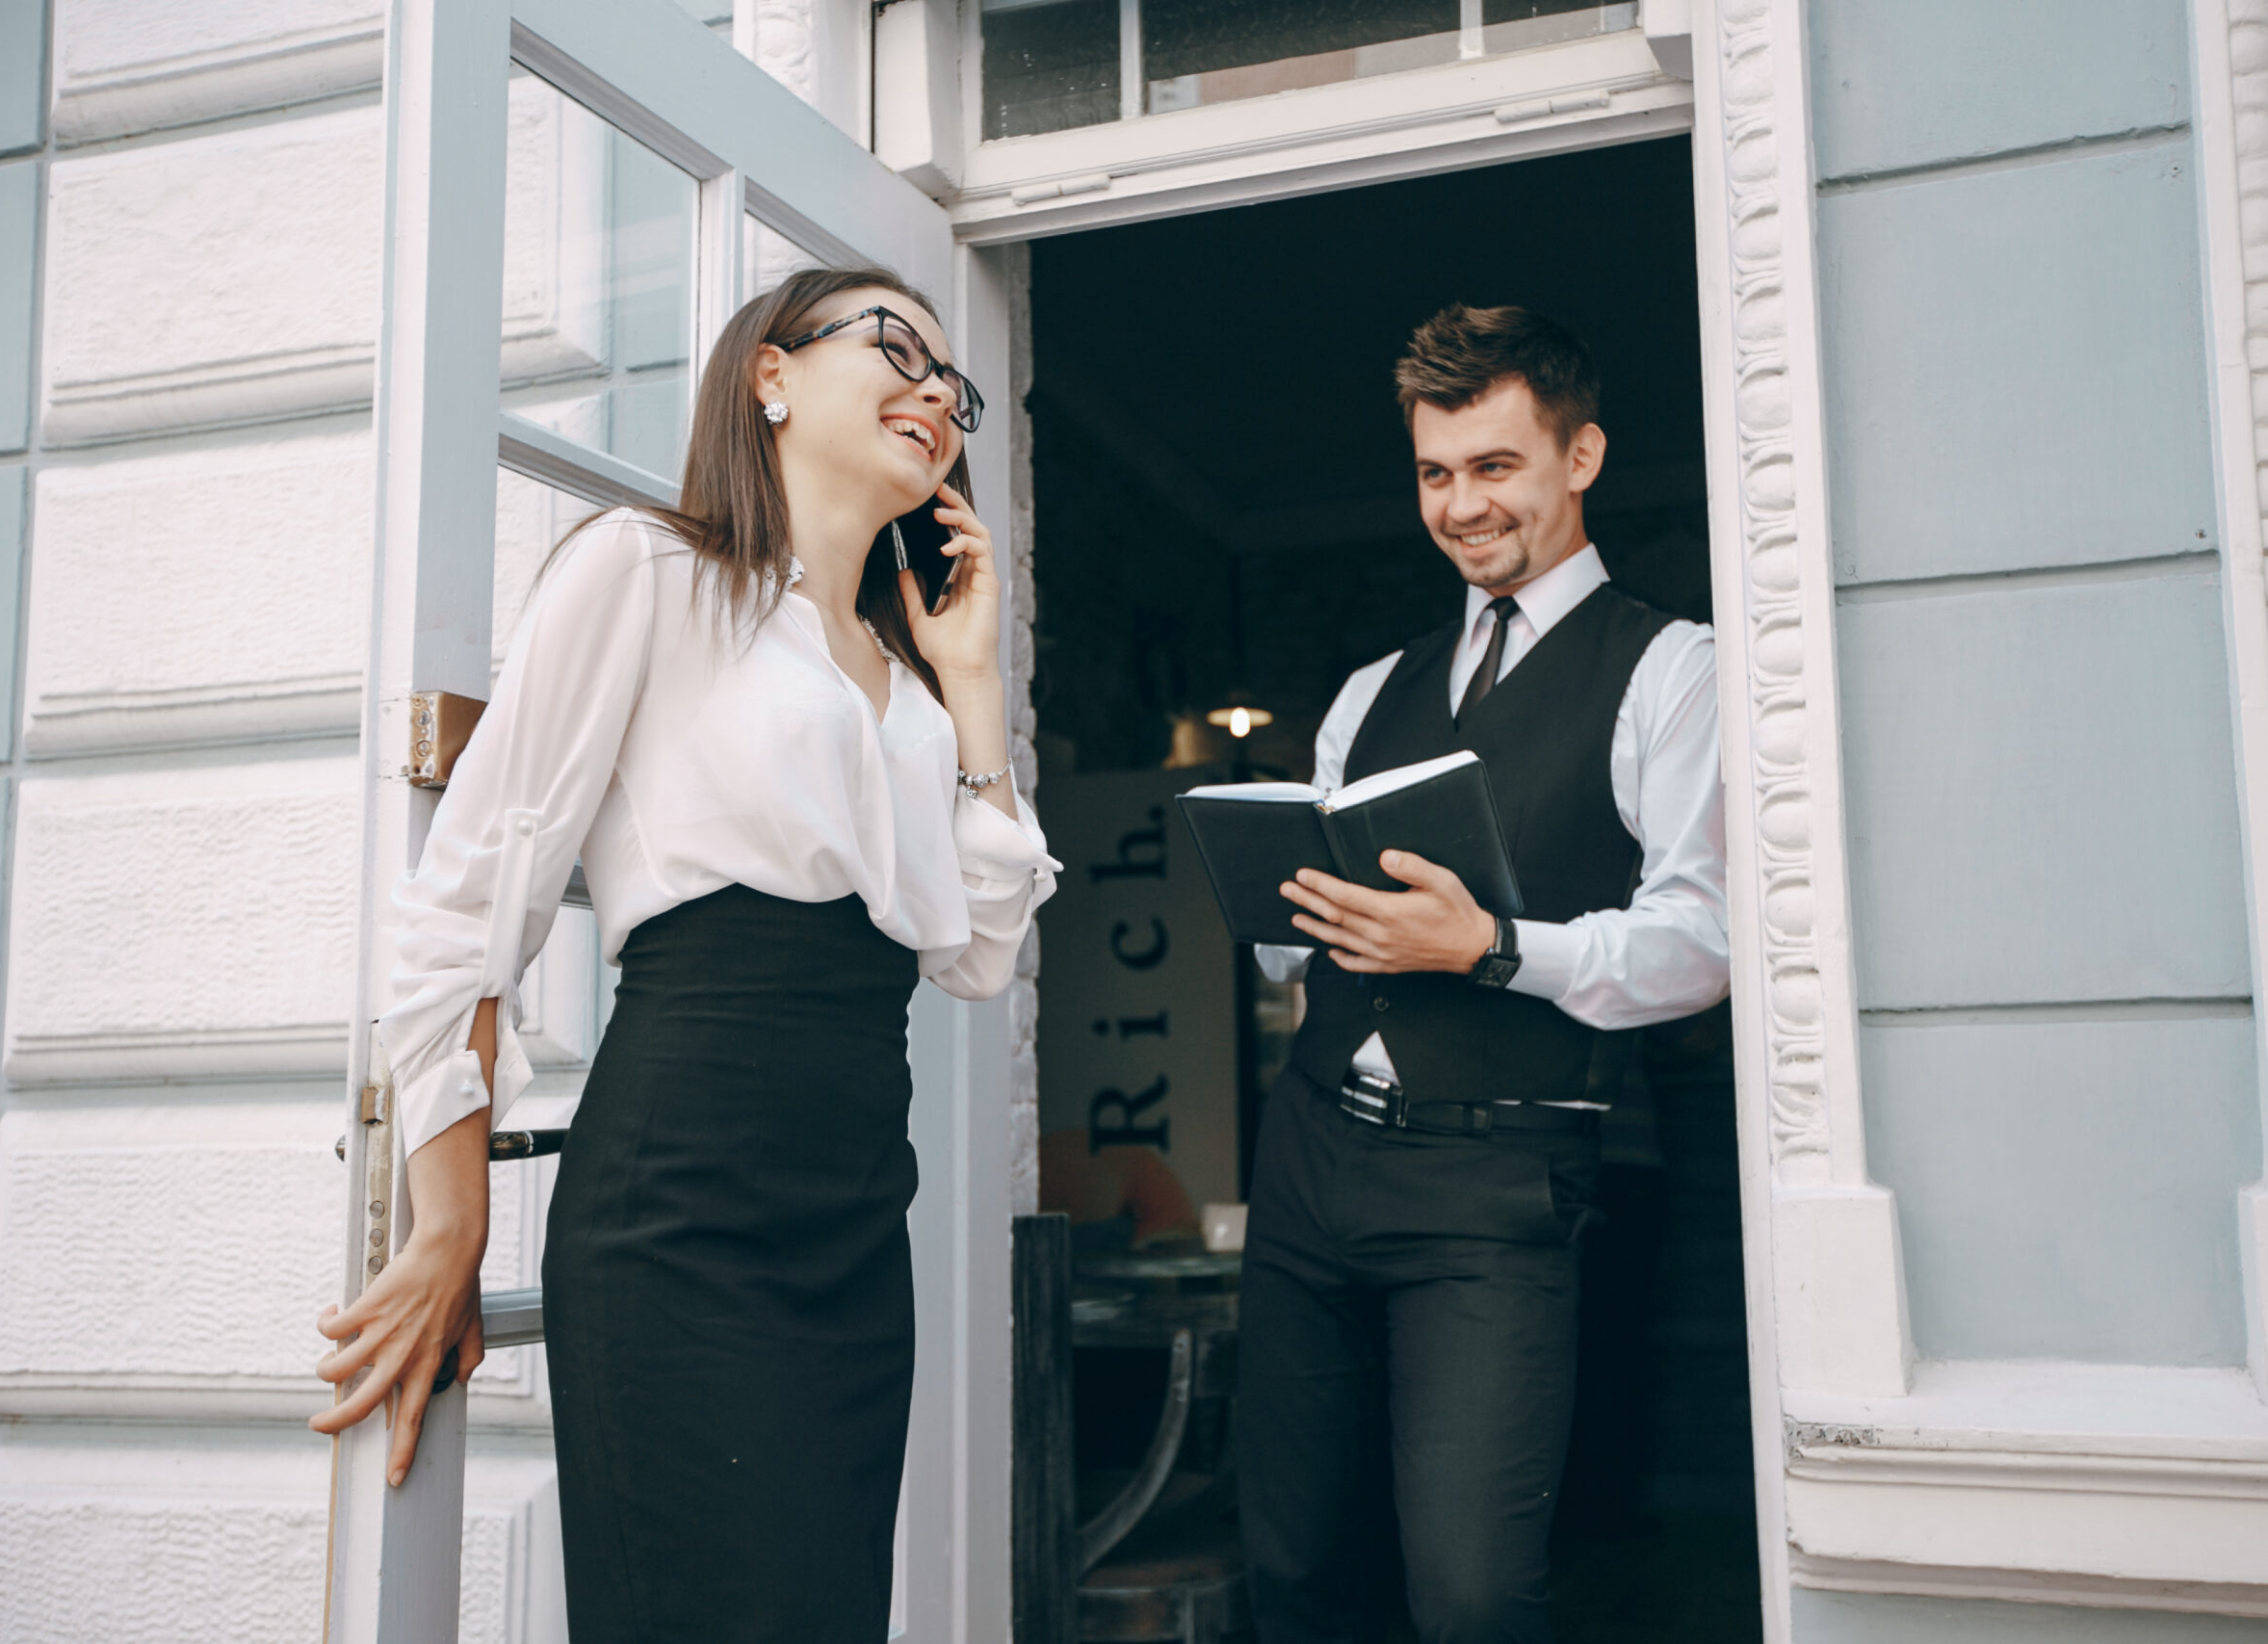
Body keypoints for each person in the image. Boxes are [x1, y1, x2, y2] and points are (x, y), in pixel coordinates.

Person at [308, 266, 1056, 1643]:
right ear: (769, 375)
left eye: (957, 383)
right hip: (681, 1214)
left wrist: (974, 685)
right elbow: (467, 910)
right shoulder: (648, 573)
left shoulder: (902, 680)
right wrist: (451, 1219)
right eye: (896, 346)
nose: (936, 393)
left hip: (851, 1227)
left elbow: (979, 953)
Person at [1241, 303, 1729, 1643]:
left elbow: (1701, 942)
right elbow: (1297, 954)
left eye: (1495, 466)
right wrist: (1280, 892)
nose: (1462, 506)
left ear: (1580, 459)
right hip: (1308, 1159)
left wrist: (1494, 949)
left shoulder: (1670, 670)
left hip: (1495, 1187)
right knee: (1290, 1568)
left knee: (1470, 1595)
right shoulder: (1367, 691)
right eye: (1435, 473)